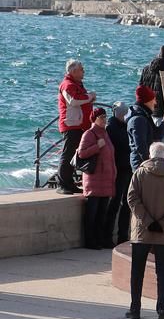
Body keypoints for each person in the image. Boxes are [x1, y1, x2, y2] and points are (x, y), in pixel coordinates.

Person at [125, 141, 164, 319]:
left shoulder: (140, 172)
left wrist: (148, 221)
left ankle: (135, 308)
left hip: (142, 230)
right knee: (163, 272)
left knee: (137, 271)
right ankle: (162, 311)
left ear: (150, 155)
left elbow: (132, 198)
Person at [76, 107, 117, 249]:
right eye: (102, 117)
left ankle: (99, 240)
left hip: (105, 180)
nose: (105, 120)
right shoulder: (89, 133)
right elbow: (81, 153)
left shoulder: (105, 133)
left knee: (101, 214)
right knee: (92, 214)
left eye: (105, 117)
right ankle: (90, 241)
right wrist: (96, 147)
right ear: (95, 119)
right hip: (94, 181)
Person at [56, 59, 95, 194]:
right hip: (71, 124)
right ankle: (62, 184)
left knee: (74, 154)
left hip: (78, 124)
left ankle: (69, 183)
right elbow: (73, 101)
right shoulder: (67, 84)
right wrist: (89, 97)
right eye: (81, 69)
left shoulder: (76, 84)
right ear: (73, 71)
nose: (83, 71)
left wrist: (88, 97)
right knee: (67, 154)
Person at [107, 102, 134, 244]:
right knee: (115, 203)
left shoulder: (125, 126)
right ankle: (108, 235)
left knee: (126, 203)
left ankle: (123, 235)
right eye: (124, 114)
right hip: (119, 169)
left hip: (127, 168)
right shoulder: (111, 127)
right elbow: (124, 144)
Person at [138, 44, 164, 125]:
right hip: (163, 112)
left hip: (146, 112)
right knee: (162, 136)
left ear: (158, 54)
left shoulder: (146, 69)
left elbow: (140, 89)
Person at [127, 85, 163, 171]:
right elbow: (140, 146)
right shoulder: (138, 119)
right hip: (141, 165)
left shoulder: (145, 115)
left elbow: (156, 135)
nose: (155, 103)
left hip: (145, 162)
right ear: (147, 101)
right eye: (153, 99)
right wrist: (149, 163)